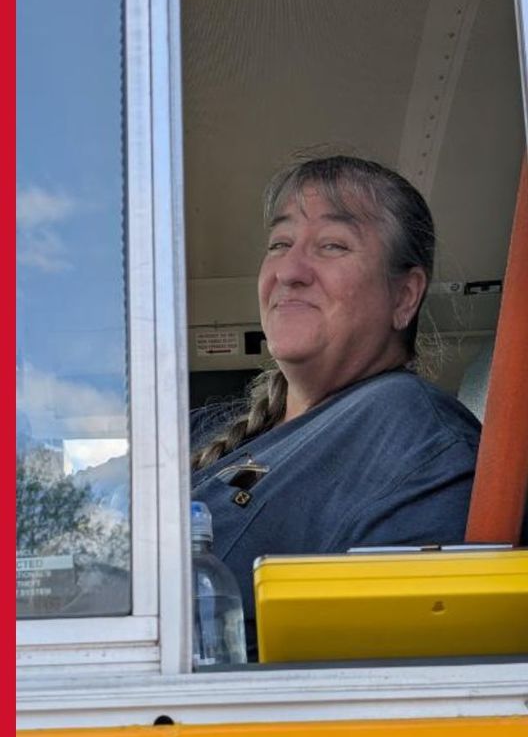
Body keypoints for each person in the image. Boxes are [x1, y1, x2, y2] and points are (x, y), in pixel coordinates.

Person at [190, 156, 482, 654]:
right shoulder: (211, 428)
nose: (290, 270)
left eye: (332, 246)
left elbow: (386, 680)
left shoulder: (417, 437)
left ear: (405, 296)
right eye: (280, 244)